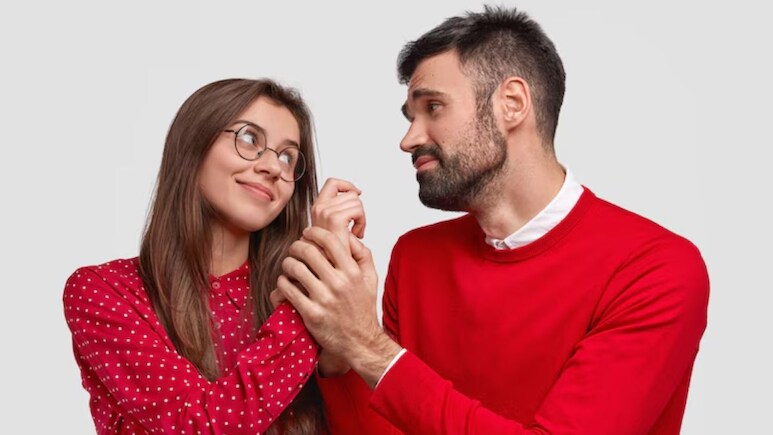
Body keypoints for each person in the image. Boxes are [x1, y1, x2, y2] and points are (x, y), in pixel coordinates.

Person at [275, 6, 710, 434]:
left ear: (512, 104)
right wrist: (338, 351)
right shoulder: (415, 257)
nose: (409, 139)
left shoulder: (656, 269)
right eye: (411, 117)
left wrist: (367, 346)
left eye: (433, 107)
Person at [62, 78, 364, 434]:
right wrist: (310, 294)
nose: (273, 167)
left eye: (288, 157)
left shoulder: (294, 294)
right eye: (249, 139)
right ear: (194, 144)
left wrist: (342, 343)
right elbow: (198, 425)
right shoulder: (105, 291)